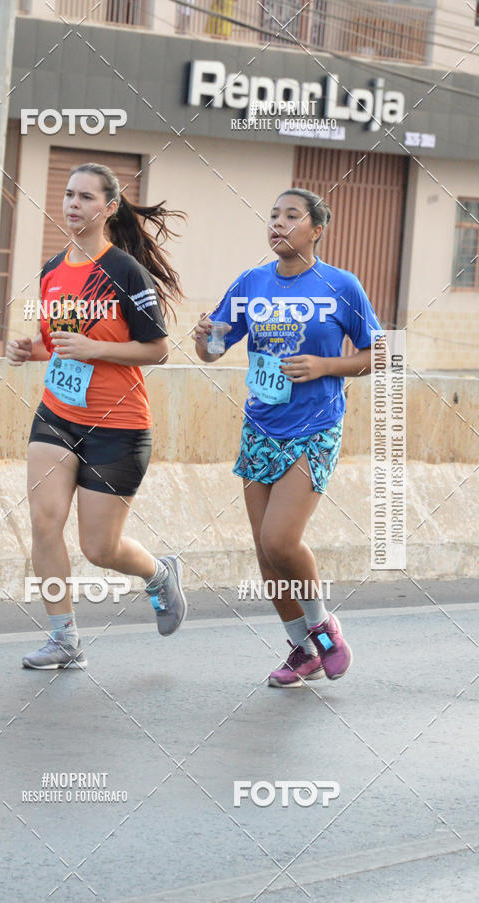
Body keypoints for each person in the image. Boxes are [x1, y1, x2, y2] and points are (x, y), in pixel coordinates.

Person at [193, 187, 383, 688]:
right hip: (260, 426)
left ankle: (323, 629)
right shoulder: (252, 282)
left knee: (282, 538)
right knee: (265, 549)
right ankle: (301, 649)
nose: (278, 224)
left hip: (314, 427)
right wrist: (204, 337)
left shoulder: (341, 285)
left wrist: (326, 366)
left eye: (291, 217)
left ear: (316, 230)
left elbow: (381, 355)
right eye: (273, 216)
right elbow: (215, 349)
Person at [6, 162, 187, 670]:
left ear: (109, 209)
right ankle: (64, 638)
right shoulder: (52, 271)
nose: (73, 204)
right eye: (68, 194)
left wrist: (92, 348)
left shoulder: (126, 272)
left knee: (99, 548)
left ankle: (159, 575)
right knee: (45, 524)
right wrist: (33, 350)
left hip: (119, 426)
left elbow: (158, 350)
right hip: (58, 416)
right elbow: (61, 344)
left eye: (86, 197)